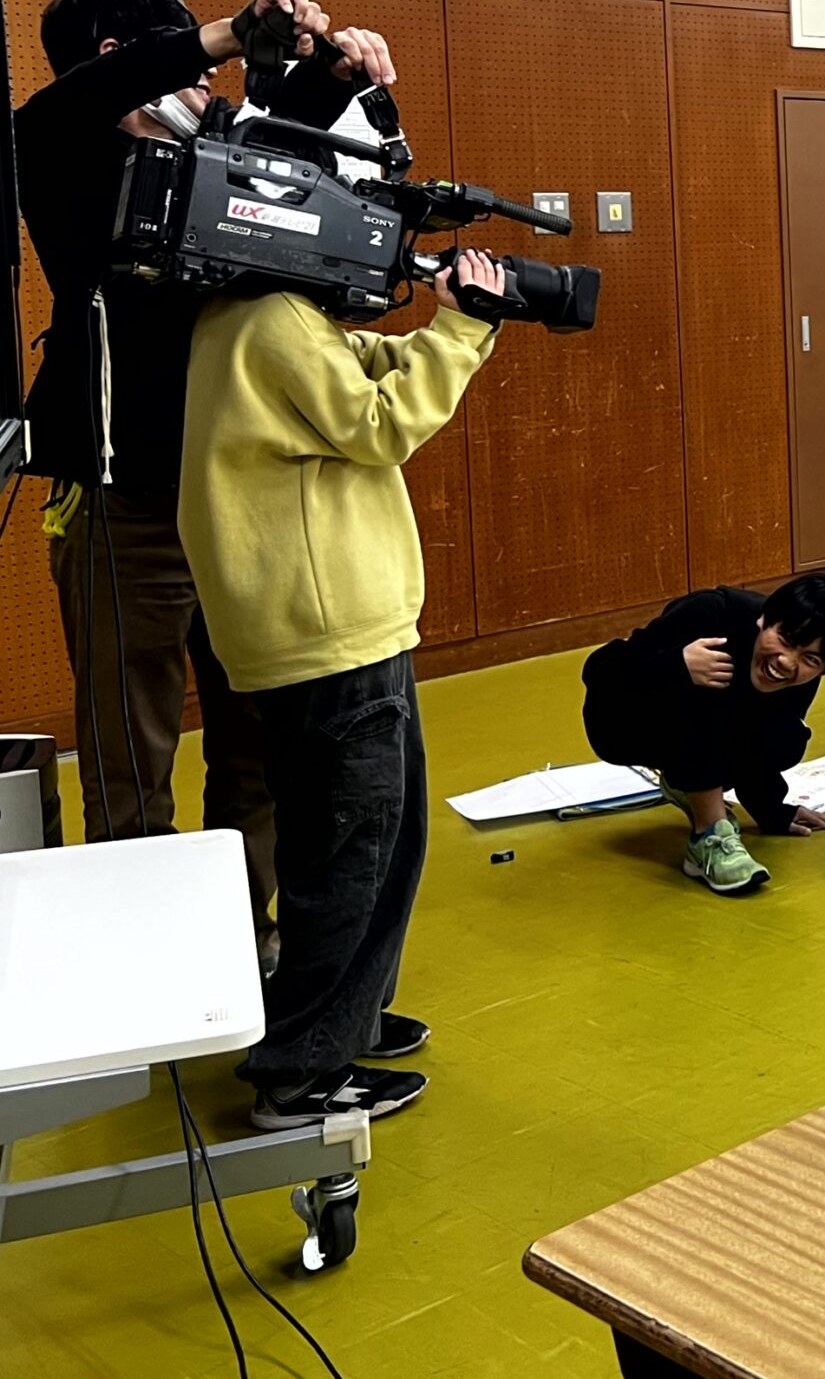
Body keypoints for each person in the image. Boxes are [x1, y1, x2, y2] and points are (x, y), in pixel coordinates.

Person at [18, 0, 385, 963]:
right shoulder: (60, 151)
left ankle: (240, 943)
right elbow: (64, 106)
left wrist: (336, 76)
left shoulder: (214, 151)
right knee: (128, 757)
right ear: (119, 59)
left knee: (255, 742)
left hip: (237, 508)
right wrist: (223, 33)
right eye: (191, 56)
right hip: (120, 509)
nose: (211, 76)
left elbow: (288, 159)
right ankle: (148, 964)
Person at [180, 245, 501, 1130]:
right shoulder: (275, 319)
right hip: (328, 635)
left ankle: (341, 1019)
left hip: (335, 630)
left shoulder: (245, 315)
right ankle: (299, 1073)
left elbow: (371, 361)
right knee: (348, 857)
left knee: (383, 841)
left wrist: (459, 329)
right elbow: (379, 424)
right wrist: (460, 328)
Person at [582, 576, 825, 894]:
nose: (787, 662)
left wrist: (770, 811)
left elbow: (761, 731)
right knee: (708, 697)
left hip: (695, 737)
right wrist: (677, 663)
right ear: (764, 620)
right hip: (621, 722)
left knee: (787, 736)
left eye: (810, 659)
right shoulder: (711, 613)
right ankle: (709, 835)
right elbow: (600, 670)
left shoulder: (801, 678)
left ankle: (687, 784)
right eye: (785, 640)